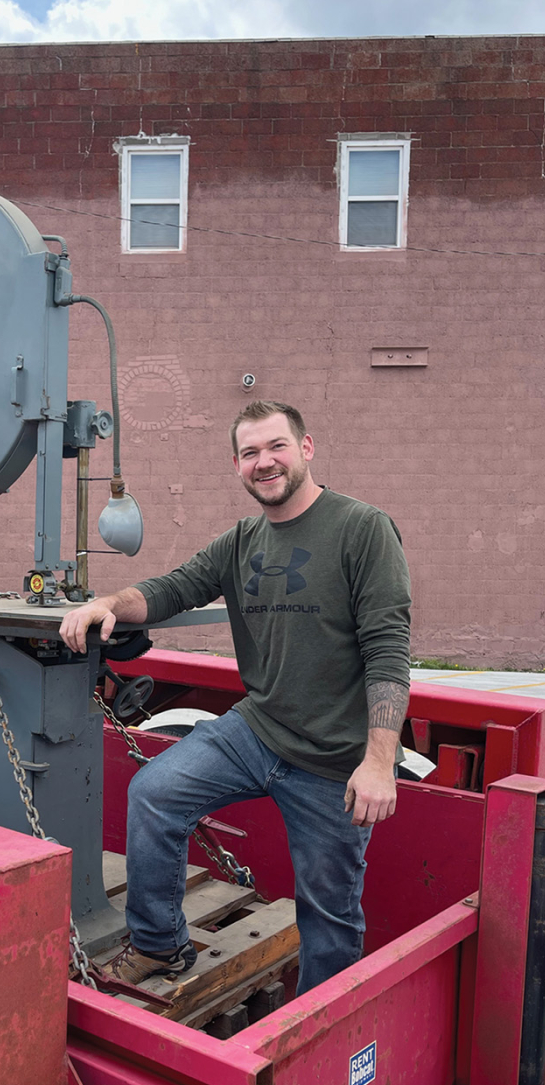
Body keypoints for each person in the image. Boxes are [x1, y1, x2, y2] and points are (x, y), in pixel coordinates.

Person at [59, 399, 411, 996]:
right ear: (237, 465)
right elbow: (173, 589)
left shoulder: (362, 528)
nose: (264, 462)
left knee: (328, 919)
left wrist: (379, 761)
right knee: (154, 793)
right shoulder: (242, 540)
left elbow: (388, 650)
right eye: (250, 453)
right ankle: (159, 945)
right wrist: (106, 606)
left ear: (305, 448)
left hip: (334, 759)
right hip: (257, 730)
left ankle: (310, 1044)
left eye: (276, 447)